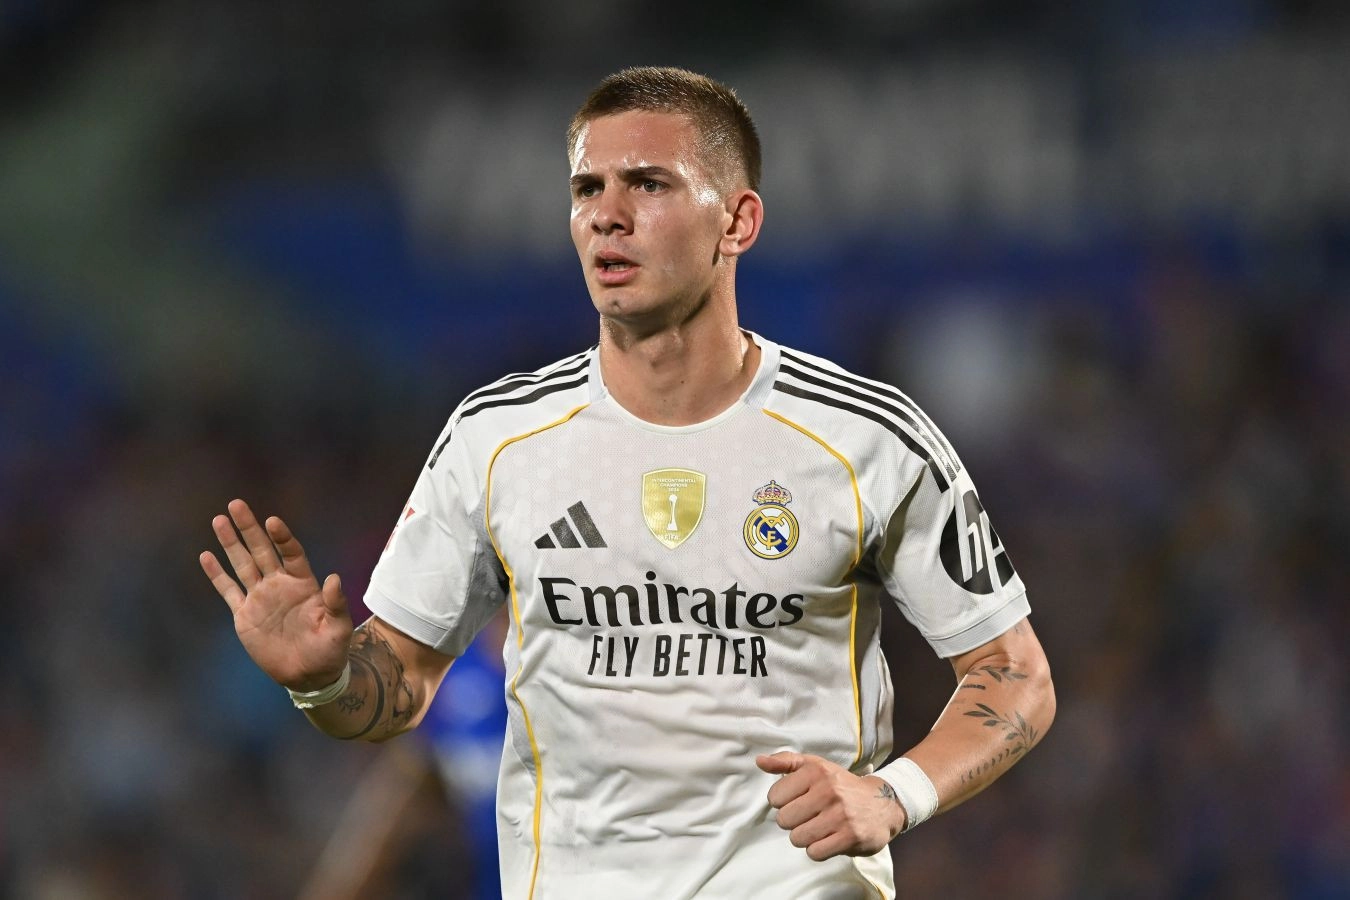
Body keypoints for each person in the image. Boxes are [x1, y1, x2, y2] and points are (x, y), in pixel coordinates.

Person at [200, 66, 1055, 899]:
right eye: (587, 189)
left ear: (737, 221)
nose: (607, 215)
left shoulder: (867, 438)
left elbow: (1014, 672)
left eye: (648, 184)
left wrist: (894, 794)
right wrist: (322, 680)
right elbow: (397, 688)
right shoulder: (496, 439)